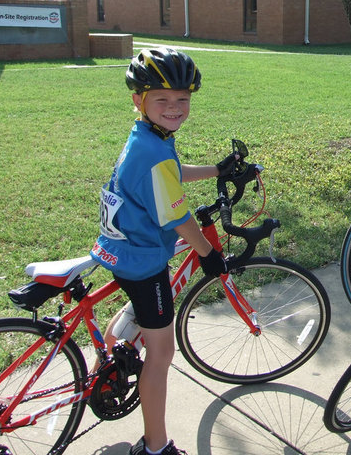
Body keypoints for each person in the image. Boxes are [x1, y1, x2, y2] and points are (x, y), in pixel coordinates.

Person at [90, 47, 238, 455]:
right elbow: (179, 218)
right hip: (141, 260)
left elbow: (171, 174)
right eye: (162, 99)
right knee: (161, 354)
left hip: (120, 248)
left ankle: (109, 364)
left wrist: (217, 170)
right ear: (139, 100)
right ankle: (155, 447)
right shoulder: (154, 150)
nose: (174, 108)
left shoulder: (148, 137)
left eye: (182, 100)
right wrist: (208, 252)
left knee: (139, 309)